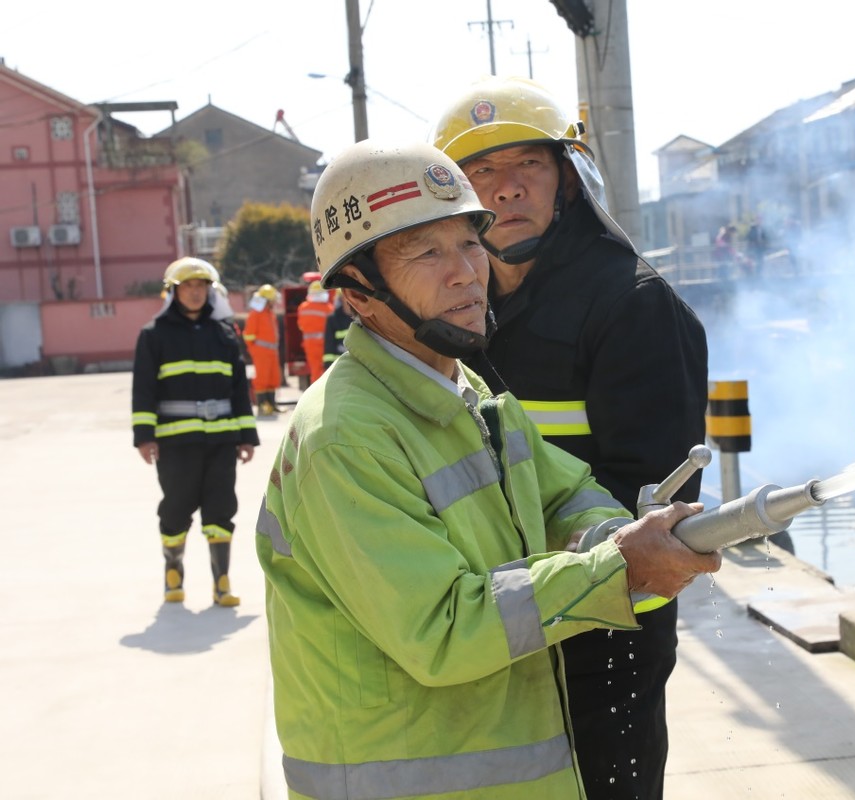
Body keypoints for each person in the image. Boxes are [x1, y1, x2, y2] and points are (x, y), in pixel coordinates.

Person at [255, 140, 720, 799]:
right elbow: (442, 629)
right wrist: (617, 569)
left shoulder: (462, 388)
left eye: (470, 243)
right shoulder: (345, 438)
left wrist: (619, 541)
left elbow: (564, 494)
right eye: (426, 252)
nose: (466, 273)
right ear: (357, 294)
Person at [433, 76, 709, 799]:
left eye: (528, 164)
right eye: (481, 172)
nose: (506, 188)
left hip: (603, 633)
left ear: (568, 180)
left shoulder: (632, 306)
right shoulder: (452, 313)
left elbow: (653, 504)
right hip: (490, 625)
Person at [132, 257, 258, 606]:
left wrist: (246, 436)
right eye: (188, 287)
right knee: (176, 508)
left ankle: (222, 583)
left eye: (200, 286)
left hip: (221, 440)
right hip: (176, 443)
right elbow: (143, 389)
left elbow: (237, 388)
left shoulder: (224, 333)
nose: (195, 293)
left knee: (221, 509)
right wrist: (145, 436)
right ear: (173, 292)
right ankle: (173, 573)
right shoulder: (153, 335)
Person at [243, 283, 282, 417]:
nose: (274, 302)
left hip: (271, 352)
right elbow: (248, 335)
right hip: (261, 352)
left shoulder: (269, 313)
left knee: (273, 378)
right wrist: (254, 350)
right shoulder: (256, 314)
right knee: (262, 379)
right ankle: (262, 406)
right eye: (272, 300)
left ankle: (271, 405)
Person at [296, 279, 334, 384]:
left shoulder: (302, 308)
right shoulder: (329, 308)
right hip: (326, 345)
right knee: (328, 370)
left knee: (315, 371)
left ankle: (316, 396)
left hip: (310, 345)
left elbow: (301, 326)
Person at [322, 288, 353, 371]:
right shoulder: (333, 319)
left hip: (359, 367)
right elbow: (329, 346)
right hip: (339, 367)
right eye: (346, 296)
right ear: (341, 298)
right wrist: (328, 369)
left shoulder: (362, 318)